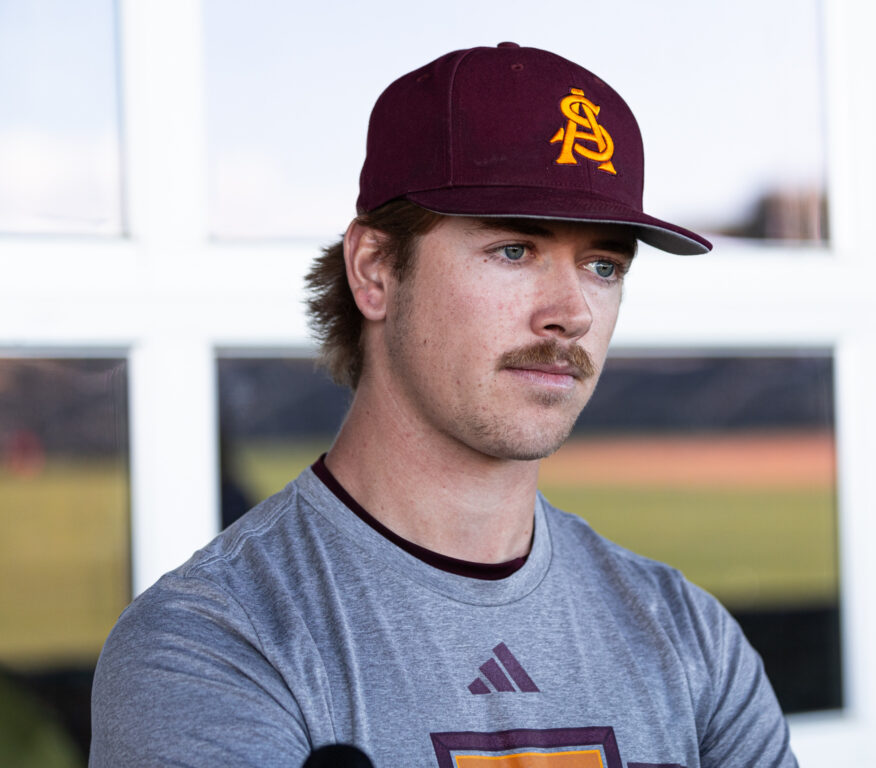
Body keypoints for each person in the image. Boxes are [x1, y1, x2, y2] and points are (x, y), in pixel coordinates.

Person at [90, 43, 797, 767]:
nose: (572, 312)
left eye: (603, 264)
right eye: (514, 250)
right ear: (374, 271)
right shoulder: (215, 644)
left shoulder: (687, 636)